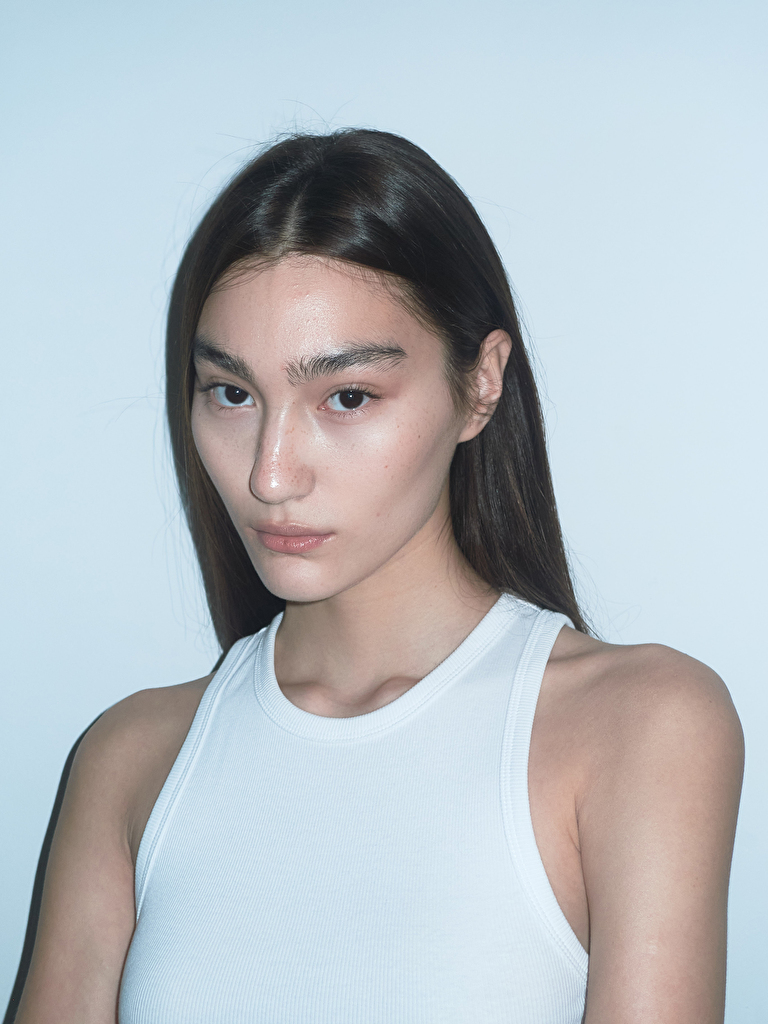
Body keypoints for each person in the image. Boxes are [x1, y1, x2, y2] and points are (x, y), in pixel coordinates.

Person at [9, 129, 743, 1024]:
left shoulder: (639, 725)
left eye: (347, 397)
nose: (270, 475)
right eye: (232, 393)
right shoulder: (131, 760)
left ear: (482, 383)